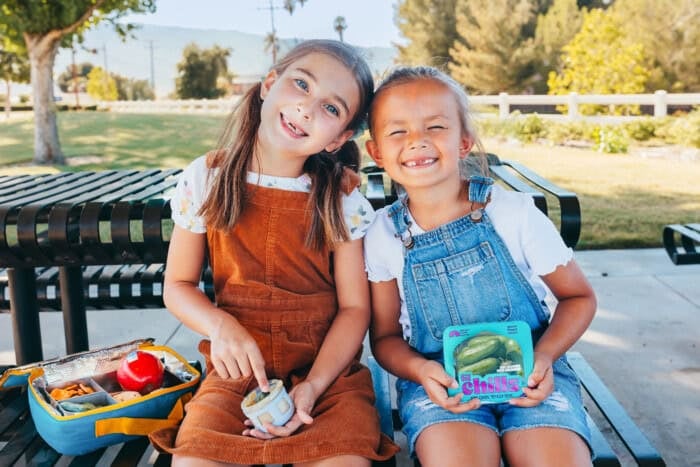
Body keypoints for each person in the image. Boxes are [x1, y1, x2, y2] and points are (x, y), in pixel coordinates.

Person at [149, 40, 398, 467]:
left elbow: (355, 309)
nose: (307, 108)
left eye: (331, 108)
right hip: (235, 375)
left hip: (327, 378)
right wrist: (220, 325)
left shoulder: (342, 200)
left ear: (338, 139)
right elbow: (178, 285)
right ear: (269, 84)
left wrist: (314, 385)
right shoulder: (206, 178)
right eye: (301, 84)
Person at [363, 66, 597, 467]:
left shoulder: (515, 214)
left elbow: (579, 298)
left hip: (534, 375)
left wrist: (544, 357)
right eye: (398, 131)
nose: (417, 140)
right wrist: (420, 371)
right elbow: (384, 338)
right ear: (377, 153)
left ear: (464, 142)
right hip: (441, 385)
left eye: (436, 126)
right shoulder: (382, 235)